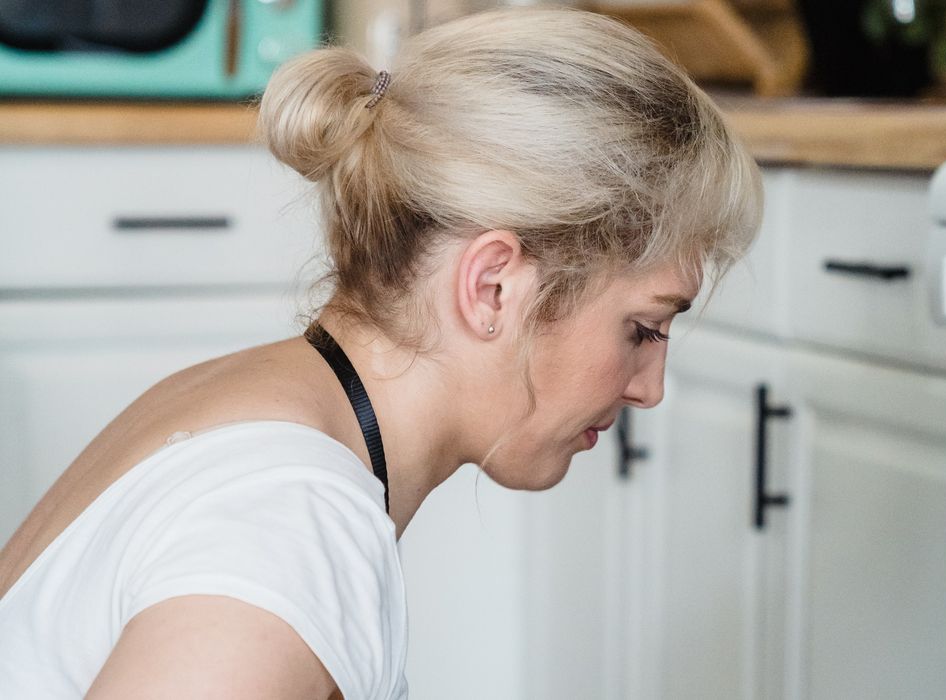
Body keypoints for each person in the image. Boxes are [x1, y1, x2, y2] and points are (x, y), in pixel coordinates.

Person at [0, 7, 760, 699]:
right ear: (493, 286)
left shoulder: (241, 397)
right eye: (643, 328)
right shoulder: (290, 525)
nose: (648, 389)